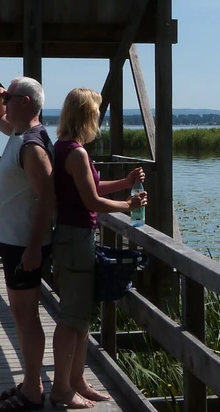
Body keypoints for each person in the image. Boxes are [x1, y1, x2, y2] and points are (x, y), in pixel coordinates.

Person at [48, 87, 145, 409]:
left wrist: (125, 182)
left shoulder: (64, 148)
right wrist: (128, 205)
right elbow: (90, 200)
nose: (99, 119)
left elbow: (89, 187)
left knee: (81, 315)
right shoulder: (75, 152)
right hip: (75, 238)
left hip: (74, 237)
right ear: (87, 115)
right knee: (71, 317)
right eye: (96, 113)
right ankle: (61, 389)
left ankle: (77, 380)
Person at [0, 77, 54, 411]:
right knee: (20, 312)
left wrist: (33, 247)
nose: (5, 103)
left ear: (25, 102)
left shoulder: (32, 144)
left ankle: (32, 392)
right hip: (11, 241)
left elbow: (47, 199)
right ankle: (31, 382)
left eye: (9, 97)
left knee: (27, 314)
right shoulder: (17, 133)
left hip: (24, 244)